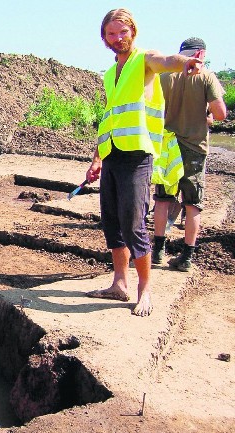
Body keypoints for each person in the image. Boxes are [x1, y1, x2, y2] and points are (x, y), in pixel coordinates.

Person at [84, 8, 204, 316]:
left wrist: (185, 63)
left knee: (133, 223)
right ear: (104, 38)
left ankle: (144, 290)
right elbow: (109, 119)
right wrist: (97, 158)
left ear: (132, 32)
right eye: (112, 34)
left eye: (123, 32)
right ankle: (119, 283)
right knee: (112, 221)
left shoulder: (144, 60)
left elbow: (167, 62)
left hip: (137, 156)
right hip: (112, 155)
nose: (118, 38)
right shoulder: (110, 74)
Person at [151, 37, 227, 271]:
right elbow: (221, 113)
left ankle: (157, 251)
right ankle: (186, 257)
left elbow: (154, 109)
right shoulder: (206, 77)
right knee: (192, 204)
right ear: (201, 53)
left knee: (162, 199)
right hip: (194, 147)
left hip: (167, 146)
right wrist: (207, 116)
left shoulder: (165, 77)